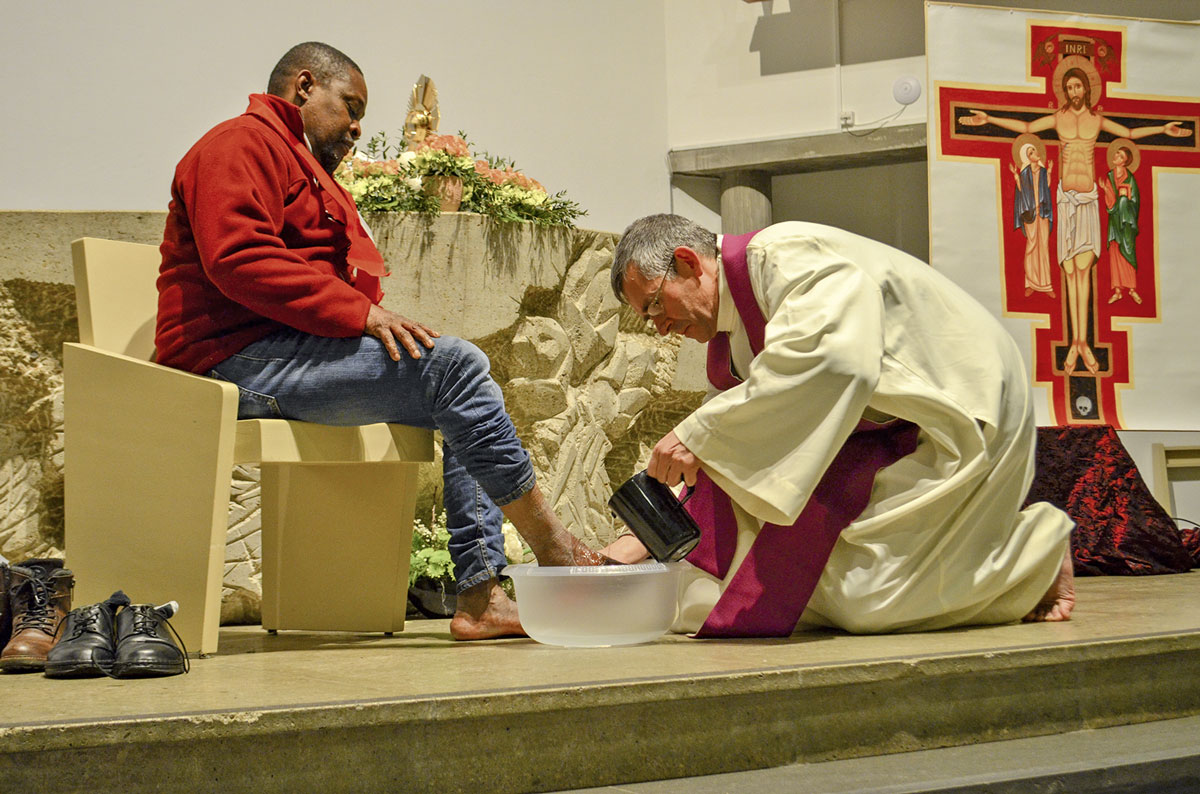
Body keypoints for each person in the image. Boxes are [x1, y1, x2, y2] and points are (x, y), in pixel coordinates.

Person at [155, 42, 605, 641]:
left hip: (284, 350)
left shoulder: (296, 157)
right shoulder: (237, 143)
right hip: (226, 361)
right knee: (453, 368)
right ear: (305, 86)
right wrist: (362, 316)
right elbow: (236, 259)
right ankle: (552, 548)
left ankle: (482, 594)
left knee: (458, 382)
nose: (359, 128)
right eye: (351, 106)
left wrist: (361, 314)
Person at [605, 214, 1076, 638]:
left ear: (687, 263)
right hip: (888, 425)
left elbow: (836, 361)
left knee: (865, 600)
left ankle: (1035, 555)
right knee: (813, 583)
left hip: (960, 405)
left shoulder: (785, 254)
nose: (658, 327)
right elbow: (729, 433)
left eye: (652, 306)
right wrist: (643, 534)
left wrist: (700, 435)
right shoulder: (734, 334)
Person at [960, 57, 1188, 375]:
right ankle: (1075, 345)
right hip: (1066, 200)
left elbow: (1131, 133)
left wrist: (1163, 129)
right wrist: (990, 118)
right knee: (1069, 273)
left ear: (1087, 89)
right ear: (1064, 91)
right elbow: (1026, 128)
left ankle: (1083, 342)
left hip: (1089, 201)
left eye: (1078, 85)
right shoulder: (1058, 118)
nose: (1074, 90)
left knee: (1084, 270)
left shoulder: (1097, 121)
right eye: (1069, 87)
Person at [1010, 138, 1054, 298]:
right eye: (1031, 152)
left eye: (1034, 151)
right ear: (1028, 157)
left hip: (1042, 213)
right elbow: (1021, 191)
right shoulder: (1025, 173)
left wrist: (1049, 172)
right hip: (1030, 215)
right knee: (1031, 247)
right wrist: (1016, 177)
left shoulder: (1042, 172)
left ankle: (1046, 285)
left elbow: (1047, 188)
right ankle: (1030, 283)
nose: (1036, 153)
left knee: (1043, 247)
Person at [1101, 141, 1141, 305]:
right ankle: (1118, 291)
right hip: (1115, 221)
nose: (1116, 156)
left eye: (1120, 155)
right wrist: (1105, 189)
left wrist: (1125, 200)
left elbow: (1135, 201)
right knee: (1115, 252)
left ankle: (1132, 289)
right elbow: (1110, 204)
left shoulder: (1130, 178)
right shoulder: (1110, 175)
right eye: (1117, 153)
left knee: (1128, 251)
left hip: (1127, 223)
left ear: (1125, 161)